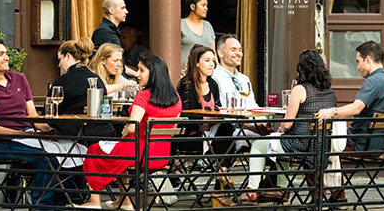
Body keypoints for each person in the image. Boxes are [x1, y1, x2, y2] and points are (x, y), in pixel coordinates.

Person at [80, 54, 182, 210]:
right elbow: (173, 124)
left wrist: (125, 130)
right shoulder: (176, 98)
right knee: (120, 157)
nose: (138, 74)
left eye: (141, 70)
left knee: (93, 150)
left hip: (137, 152)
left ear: (153, 73)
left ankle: (94, 201)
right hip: (160, 155)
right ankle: (125, 201)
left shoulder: (143, 96)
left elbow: (133, 125)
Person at [0, 39, 60, 209]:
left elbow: (33, 116)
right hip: (2, 143)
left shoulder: (19, 79)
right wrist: (27, 135)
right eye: (0, 54)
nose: (6, 57)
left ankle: (63, 204)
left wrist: (51, 128)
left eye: (6, 53)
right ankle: (43, 207)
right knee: (47, 159)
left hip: (29, 135)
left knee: (72, 152)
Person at [241, 49, 338, 204]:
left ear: (301, 68)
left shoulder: (300, 89)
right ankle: (281, 190)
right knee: (280, 146)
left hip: (300, 146)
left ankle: (252, 190)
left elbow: (287, 124)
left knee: (259, 145)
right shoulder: (330, 92)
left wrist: (279, 130)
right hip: (320, 148)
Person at [176, 44, 236, 206]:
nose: (212, 65)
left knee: (228, 129)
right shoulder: (186, 84)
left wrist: (214, 120)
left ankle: (220, 178)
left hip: (212, 132)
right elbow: (186, 114)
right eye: (207, 60)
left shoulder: (213, 84)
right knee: (227, 136)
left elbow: (217, 109)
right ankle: (221, 182)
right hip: (192, 135)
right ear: (197, 63)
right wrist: (202, 125)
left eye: (213, 61)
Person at [317, 41, 384, 151]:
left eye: (358, 61)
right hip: (378, 145)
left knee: (317, 140)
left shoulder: (373, 82)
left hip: (359, 143)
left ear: (368, 59)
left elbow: (356, 108)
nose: (357, 67)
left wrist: (332, 112)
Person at [51, 38, 115, 142]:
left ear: (67, 56)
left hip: (75, 138)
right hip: (103, 136)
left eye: (60, 60)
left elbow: (49, 116)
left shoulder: (62, 82)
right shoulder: (97, 79)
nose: (59, 65)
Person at [211, 34, 259, 110]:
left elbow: (253, 106)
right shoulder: (213, 77)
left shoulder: (244, 79)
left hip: (248, 120)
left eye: (240, 50)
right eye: (233, 50)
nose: (238, 54)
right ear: (221, 53)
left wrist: (263, 120)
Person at [181, 0, 216, 68]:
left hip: (206, 74)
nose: (206, 8)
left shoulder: (208, 26)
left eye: (207, 6)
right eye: (203, 5)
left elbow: (213, 52)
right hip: (184, 72)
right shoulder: (181, 25)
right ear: (193, 7)